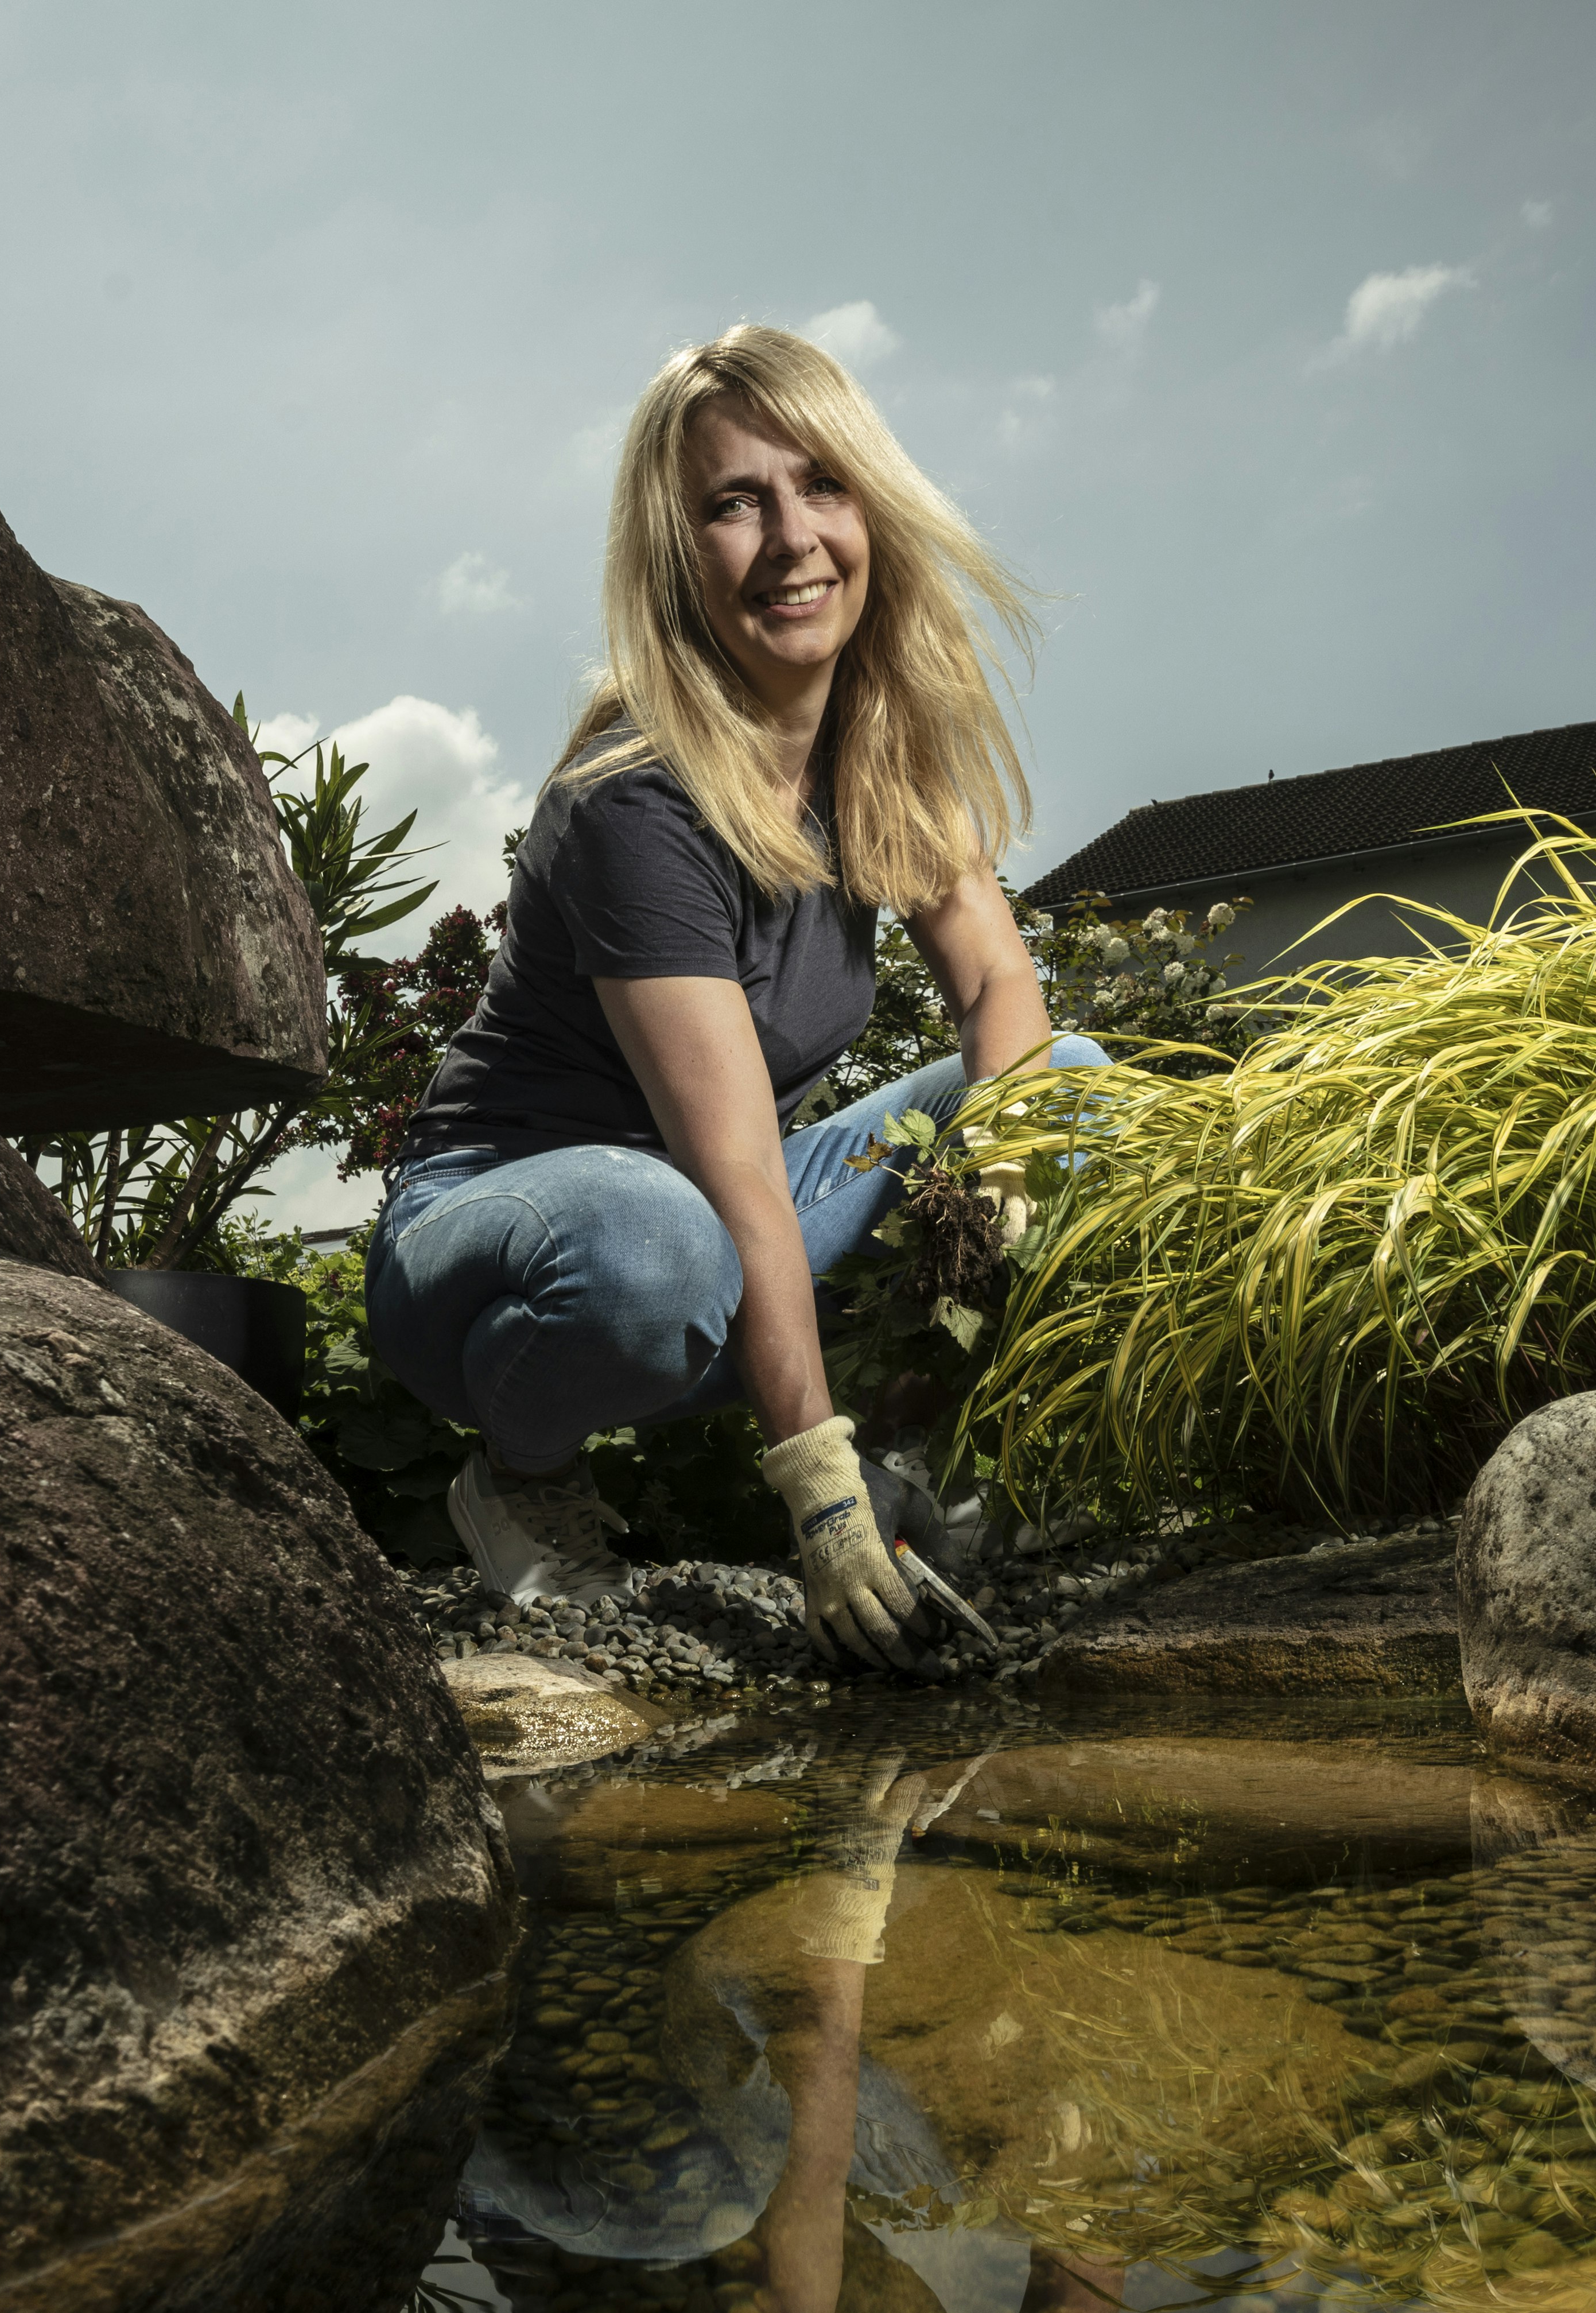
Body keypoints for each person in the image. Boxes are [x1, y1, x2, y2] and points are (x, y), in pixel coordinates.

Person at [363, 324, 1096, 1670]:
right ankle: (523, 1475)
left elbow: (998, 980)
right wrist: (811, 1501)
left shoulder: (881, 753)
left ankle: (909, 1472)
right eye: (732, 503)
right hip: (508, 1241)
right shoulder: (632, 799)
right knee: (658, 1243)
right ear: (673, 552)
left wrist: (992, 1200)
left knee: (1072, 1093)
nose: (792, 539)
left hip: (715, 1218)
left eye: (821, 486)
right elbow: (738, 1167)